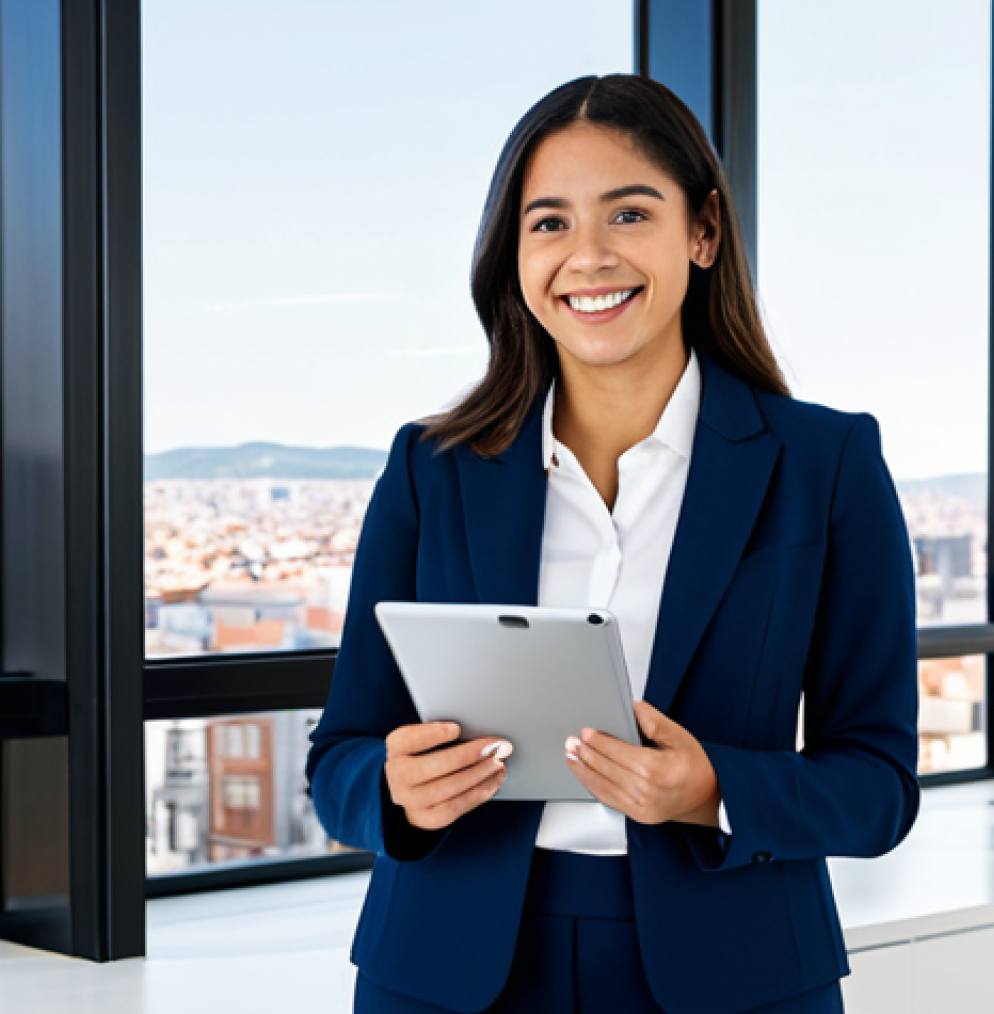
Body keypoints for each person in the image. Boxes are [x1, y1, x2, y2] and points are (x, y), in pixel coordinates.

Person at [306, 74, 920, 1014]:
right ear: (512, 254)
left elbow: (878, 788)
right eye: (548, 223)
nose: (586, 257)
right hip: (446, 968)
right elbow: (340, 753)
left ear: (702, 232)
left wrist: (713, 788)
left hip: (736, 969)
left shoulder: (824, 465)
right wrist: (392, 793)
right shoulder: (434, 468)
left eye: (628, 214)